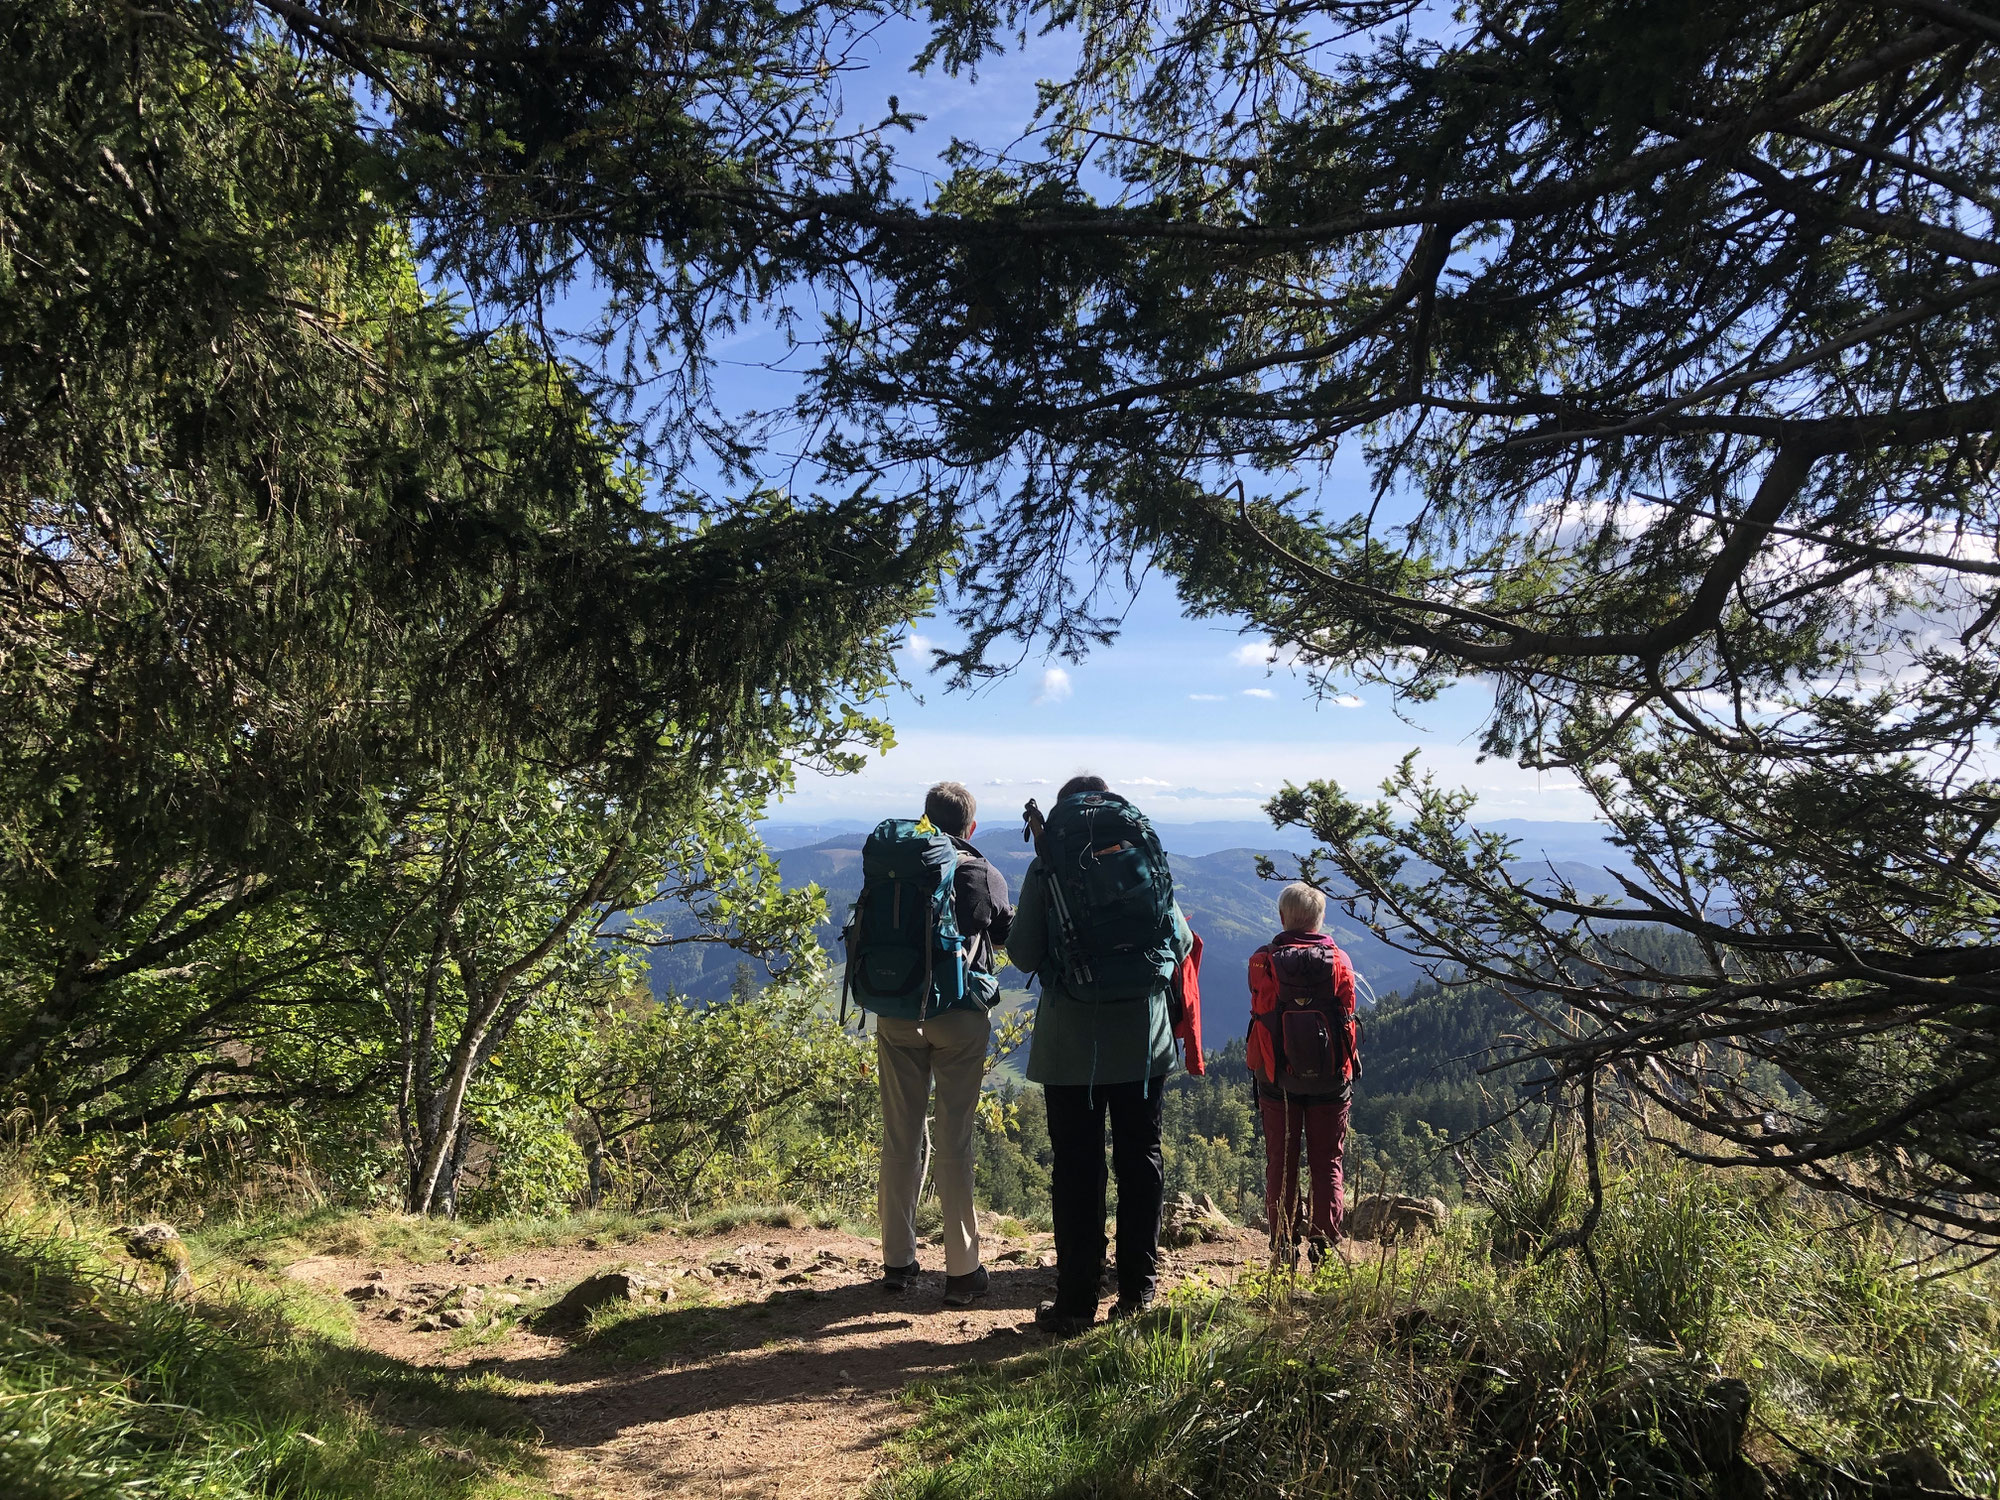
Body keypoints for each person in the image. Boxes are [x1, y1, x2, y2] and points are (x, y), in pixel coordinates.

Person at [1010, 775, 1195, 1335]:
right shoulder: (1141, 857)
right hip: (1144, 1043)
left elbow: (1021, 954)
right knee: (1141, 1160)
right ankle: (1137, 1294)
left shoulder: (1050, 866)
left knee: (1077, 1167)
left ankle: (1075, 1304)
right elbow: (1180, 942)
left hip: (1072, 1050)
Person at [874, 781, 1013, 1307]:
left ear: (924, 820)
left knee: (900, 1136)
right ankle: (961, 1271)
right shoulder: (980, 870)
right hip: (958, 1016)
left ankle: (897, 1262)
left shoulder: (898, 866)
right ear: (970, 827)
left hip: (897, 1010)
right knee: (954, 1140)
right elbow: (1003, 936)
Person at [1246, 882, 1359, 1266]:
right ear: (1319, 918)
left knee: (1281, 1158)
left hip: (1277, 1079)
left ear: (1282, 917)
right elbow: (1347, 1015)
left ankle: (1282, 1244)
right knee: (1327, 1161)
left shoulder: (1263, 960)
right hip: (1330, 1079)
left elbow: (1258, 1006)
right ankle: (1325, 1245)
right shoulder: (1340, 961)